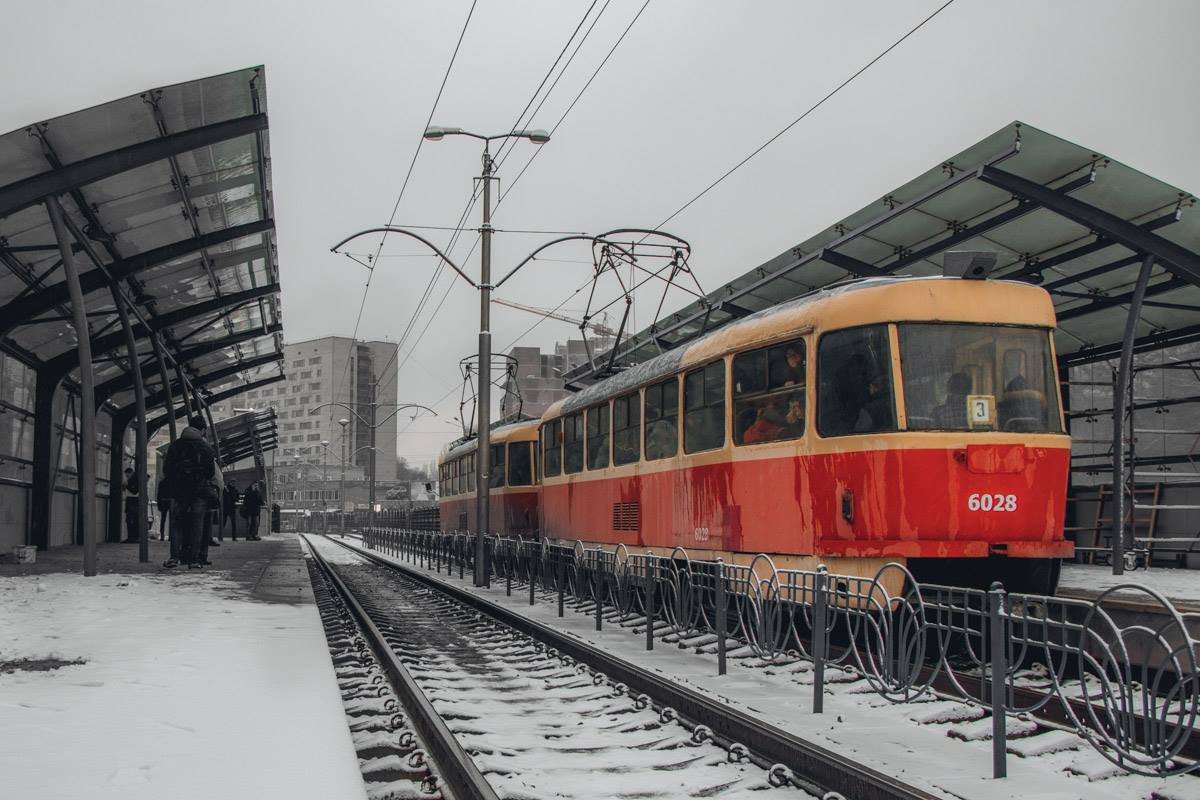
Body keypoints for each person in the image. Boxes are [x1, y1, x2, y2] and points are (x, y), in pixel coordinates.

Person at [162, 415, 220, 568]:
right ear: (202, 430)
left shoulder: (175, 445)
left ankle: (174, 557)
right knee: (197, 524)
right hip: (199, 491)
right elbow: (209, 472)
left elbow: (166, 469)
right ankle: (194, 560)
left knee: (176, 524)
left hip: (179, 491)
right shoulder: (205, 447)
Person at [122, 466, 140, 543]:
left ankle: (132, 537)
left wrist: (126, 485)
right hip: (131, 500)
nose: (127, 477)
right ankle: (132, 537)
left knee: (132, 520)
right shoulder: (132, 479)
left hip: (133, 501)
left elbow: (135, 491)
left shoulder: (135, 480)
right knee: (130, 520)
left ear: (131, 473)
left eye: (127, 475)